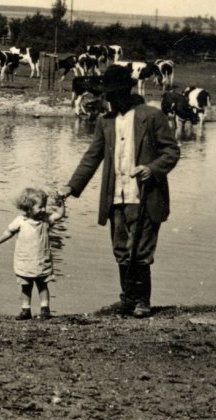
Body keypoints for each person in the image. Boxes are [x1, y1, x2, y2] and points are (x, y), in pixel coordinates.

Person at [57, 65, 180, 318]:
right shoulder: (106, 122)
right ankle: (127, 299)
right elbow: (92, 157)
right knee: (121, 249)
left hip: (144, 196)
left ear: (126, 91)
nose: (109, 99)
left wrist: (152, 169)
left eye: (113, 94)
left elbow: (172, 151)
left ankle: (142, 301)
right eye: (107, 95)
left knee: (141, 250)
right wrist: (71, 186)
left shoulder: (152, 116)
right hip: (116, 197)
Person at [0, 187, 66, 320]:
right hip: (25, 260)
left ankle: (45, 309)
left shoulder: (45, 220)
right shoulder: (20, 221)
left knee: (43, 285)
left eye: (44, 206)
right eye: (40, 207)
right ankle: (26, 310)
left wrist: (61, 202)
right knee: (25, 286)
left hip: (41, 260)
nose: (43, 210)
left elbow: (59, 214)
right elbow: (8, 232)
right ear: (28, 207)